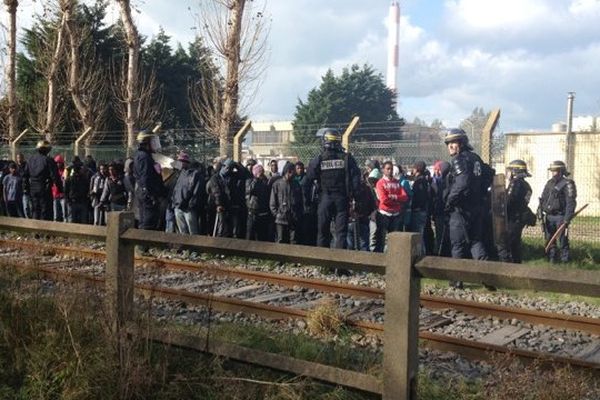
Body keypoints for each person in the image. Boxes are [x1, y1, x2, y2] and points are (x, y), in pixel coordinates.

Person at [443, 128, 490, 288]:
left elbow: (462, 183)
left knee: (457, 245)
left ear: (461, 143)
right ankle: (488, 278)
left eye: (453, 142)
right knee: (475, 242)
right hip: (476, 207)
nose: (450, 146)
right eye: (448, 143)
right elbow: (489, 173)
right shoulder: (475, 158)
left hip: (461, 209)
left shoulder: (459, 159)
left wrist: (449, 201)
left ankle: (456, 281)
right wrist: (480, 192)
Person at [304, 128, 361, 249]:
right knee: (341, 234)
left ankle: (323, 264)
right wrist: (357, 201)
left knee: (322, 232)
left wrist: (307, 202)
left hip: (325, 198)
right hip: (342, 199)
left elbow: (307, 180)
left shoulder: (319, 159)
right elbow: (356, 181)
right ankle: (339, 266)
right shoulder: (346, 158)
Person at [538, 160, 577, 263]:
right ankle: (552, 258)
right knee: (549, 238)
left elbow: (571, 202)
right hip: (549, 216)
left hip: (561, 217)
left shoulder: (568, 183)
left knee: (562, 240)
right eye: (552, 171)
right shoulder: (549, 183)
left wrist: (567, 218)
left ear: (561, 171)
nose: (553, 173)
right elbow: (543, 198)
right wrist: (540, 211)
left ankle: (565, 260)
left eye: (555, 171)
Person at [498, 160, 534, 263]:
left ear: (515, 171)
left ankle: (507, 269)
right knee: (515, 245)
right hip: (519, 219)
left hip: (513, 218)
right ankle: (517, 268)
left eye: (510, 170)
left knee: (505, 244)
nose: (508, 173)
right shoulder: (527, 186)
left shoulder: (515, 183)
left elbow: (508, 201)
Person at [133, 130, 167, 232]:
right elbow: (146, 178)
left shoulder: (144, 155)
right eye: (153, 141)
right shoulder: (144, 157)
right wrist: (151, 195)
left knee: (147, 221)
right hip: (148, 196)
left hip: (146, 194)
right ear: (146, 142)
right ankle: (142, 246)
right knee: (148, 222)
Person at [22, 140, 63, 221]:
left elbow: (25, 176)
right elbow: (55, 176)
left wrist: (26, 188)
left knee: (35, 210)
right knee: (46, 211)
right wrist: (61, 189)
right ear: (46, 150)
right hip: (45, 189)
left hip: (33, 189)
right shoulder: (48, 160)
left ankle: (35, 231)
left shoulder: (30, 160)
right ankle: (44, 232)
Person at [374, 161, 409, 252]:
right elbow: (384, 199)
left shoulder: (396, 183)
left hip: (396, 215)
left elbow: (405, 197)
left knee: (395, 241)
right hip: (384, 214)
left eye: (391, 169)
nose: (390, 171)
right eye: (388, 169)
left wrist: (394, 196)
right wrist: (397, 200)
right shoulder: (380, 183)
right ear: (383, 170)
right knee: (380, 241)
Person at [270, 162, 303, 244]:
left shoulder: (296, 184)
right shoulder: (277, 184)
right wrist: (277, 214)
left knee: (294, 242)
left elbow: (300, 201)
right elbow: (272, 203)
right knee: (280, 242)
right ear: (288, 172)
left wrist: (297, 214)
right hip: (281, 220)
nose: (294, 174)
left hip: (293, 219)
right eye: (293, 172)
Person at [172, 152, 203, 235]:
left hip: (188, 207)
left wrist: (191, 204)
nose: (180, 163)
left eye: (182, 161)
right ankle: (184, 247)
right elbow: (176, 188)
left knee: (192, 230)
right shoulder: (180, 173)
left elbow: (196, 192)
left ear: (187, 162)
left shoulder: (195, 174)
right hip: (178, 206)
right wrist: (174, 202)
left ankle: (194, 247)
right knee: (182, 231)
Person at [348, 174, 377, 251]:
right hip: (350, 221)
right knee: (351, 245)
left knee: (362, 245)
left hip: (361, 221)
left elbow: (373, 206)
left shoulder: (366, 189)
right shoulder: (347, 187)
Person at [409, 160, 432, 254]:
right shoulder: (425, 180)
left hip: (418, 211)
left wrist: (415, 206)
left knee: (418, 235)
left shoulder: (419, 181)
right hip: (423, 210)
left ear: (417, 169)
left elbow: (419, 197)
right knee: (421, 233)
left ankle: (420, 255)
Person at [431, 160, 451, 256]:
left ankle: (439, 253)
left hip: (442, 212)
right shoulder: (438, 180)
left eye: (437, 169)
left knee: (441, 234)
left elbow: (440, 198)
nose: (436, 172)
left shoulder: (444, 182)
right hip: (440, 211)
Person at [246, 163, 271, 241]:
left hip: (263, 211)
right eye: (261, 172)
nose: (262, 174)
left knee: (261, 235)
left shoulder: (265, 182)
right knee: (250, 233)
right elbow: (249, 190)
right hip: (253, 210)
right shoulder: (250, 181)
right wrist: (256, 179)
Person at [65, 159, 90, 224]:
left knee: (83, 222)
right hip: (73, 202)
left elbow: (87, 190)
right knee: (72, 221)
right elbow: (66, 191)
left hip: (82, 202)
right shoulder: (69, 179)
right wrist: (68, 201)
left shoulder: (84, 179)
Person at [52, 154, 67, 222]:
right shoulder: (53, 172)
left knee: (64, 214)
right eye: (56, 163)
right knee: (56, 215)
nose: (58, 164)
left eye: (59, 163)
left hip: (62, 195)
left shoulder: (65, 171)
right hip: (55, 195)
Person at [15, 153, 31, 218]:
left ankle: (28, 218)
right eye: (18, 158)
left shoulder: (26, 165)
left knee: (26, 206)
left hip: (26, 188)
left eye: (20, 158)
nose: (19, 159)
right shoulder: (15, 166)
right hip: (18, 189)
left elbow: (25, 174)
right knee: (19, 206)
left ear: (23, 158)